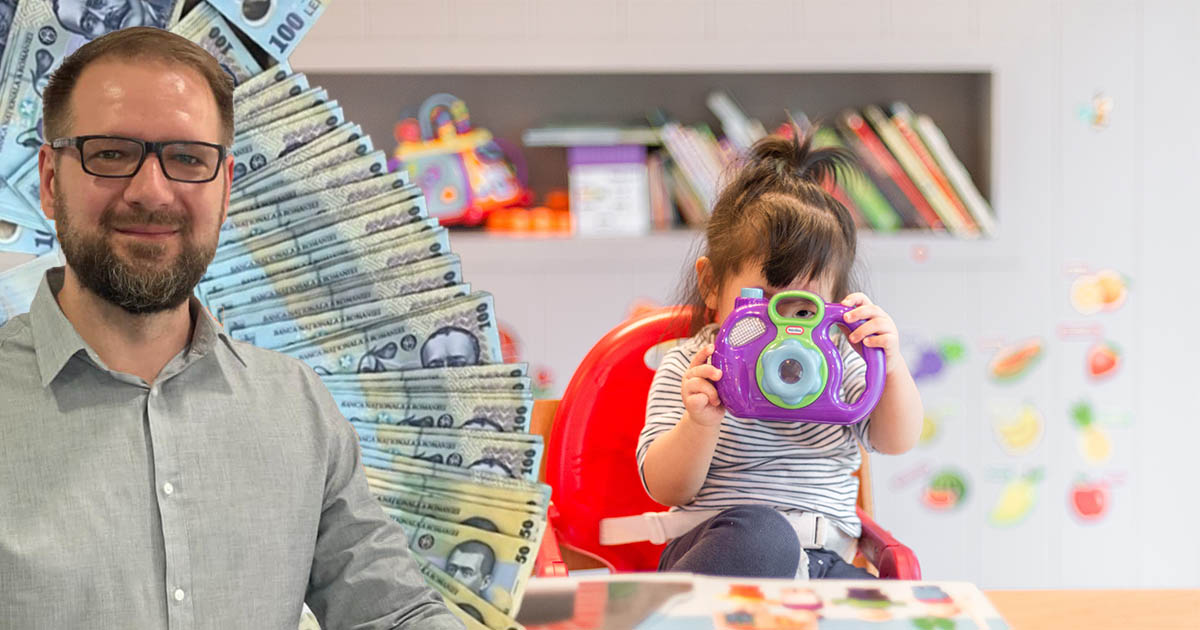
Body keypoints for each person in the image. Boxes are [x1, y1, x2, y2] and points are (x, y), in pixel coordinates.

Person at [0, 28, 463, 629]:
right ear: (50, 180)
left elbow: (393, 614)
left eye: (188, 158)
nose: (151, 191)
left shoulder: (295, 405)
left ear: (224, 189)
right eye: (110, 153)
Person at [636, 126, 924, 580]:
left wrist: (889, 365)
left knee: (885, 606)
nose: (784, 331)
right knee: (765, 535)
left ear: (834, 305)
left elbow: (896, 440)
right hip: (725, 554)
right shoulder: (694, 367)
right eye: (763, 305)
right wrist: (699, 423)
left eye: (803, 310)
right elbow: (665, 487)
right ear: (711, 285)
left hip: (823, 561)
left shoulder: (836, 362)